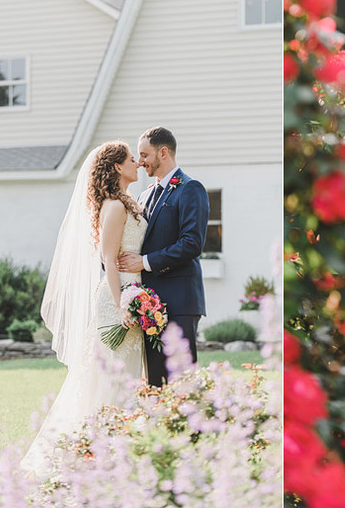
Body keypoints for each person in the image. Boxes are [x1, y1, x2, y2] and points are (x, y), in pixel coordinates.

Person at [21, 141, 146, 476]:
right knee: (108, 377)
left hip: (135, 291)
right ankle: (90, 458)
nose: (138, 163)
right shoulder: (114, 206)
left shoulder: (128, 201)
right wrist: (123, 304)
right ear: (118, 167)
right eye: (132, 160)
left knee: (128, 374)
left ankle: (122, 456)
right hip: (117, 298)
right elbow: (108, 258)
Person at [117, 127, 209, 387]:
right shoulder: (145, 195)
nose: (140, 160)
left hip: (180, 301)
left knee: (181, 382)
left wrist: (144, 262)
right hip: (148, 303)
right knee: (155, 381)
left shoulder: (191, 189)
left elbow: (192, 244)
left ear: (164, 152)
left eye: (144, 154)